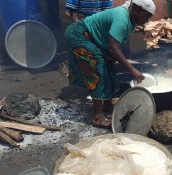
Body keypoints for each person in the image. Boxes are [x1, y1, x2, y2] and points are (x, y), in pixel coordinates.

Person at [65, 0, 155, 128]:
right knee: (97, 69)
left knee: (109, 66)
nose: (146, 20)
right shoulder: (122, 18)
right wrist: (132, 70)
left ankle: (107, 106)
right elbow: (113, 48)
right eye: (146, 16)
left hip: (93, 38)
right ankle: (98, 116)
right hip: (79, 35)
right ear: (137, 9)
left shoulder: (133, 20)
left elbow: (116, 44)